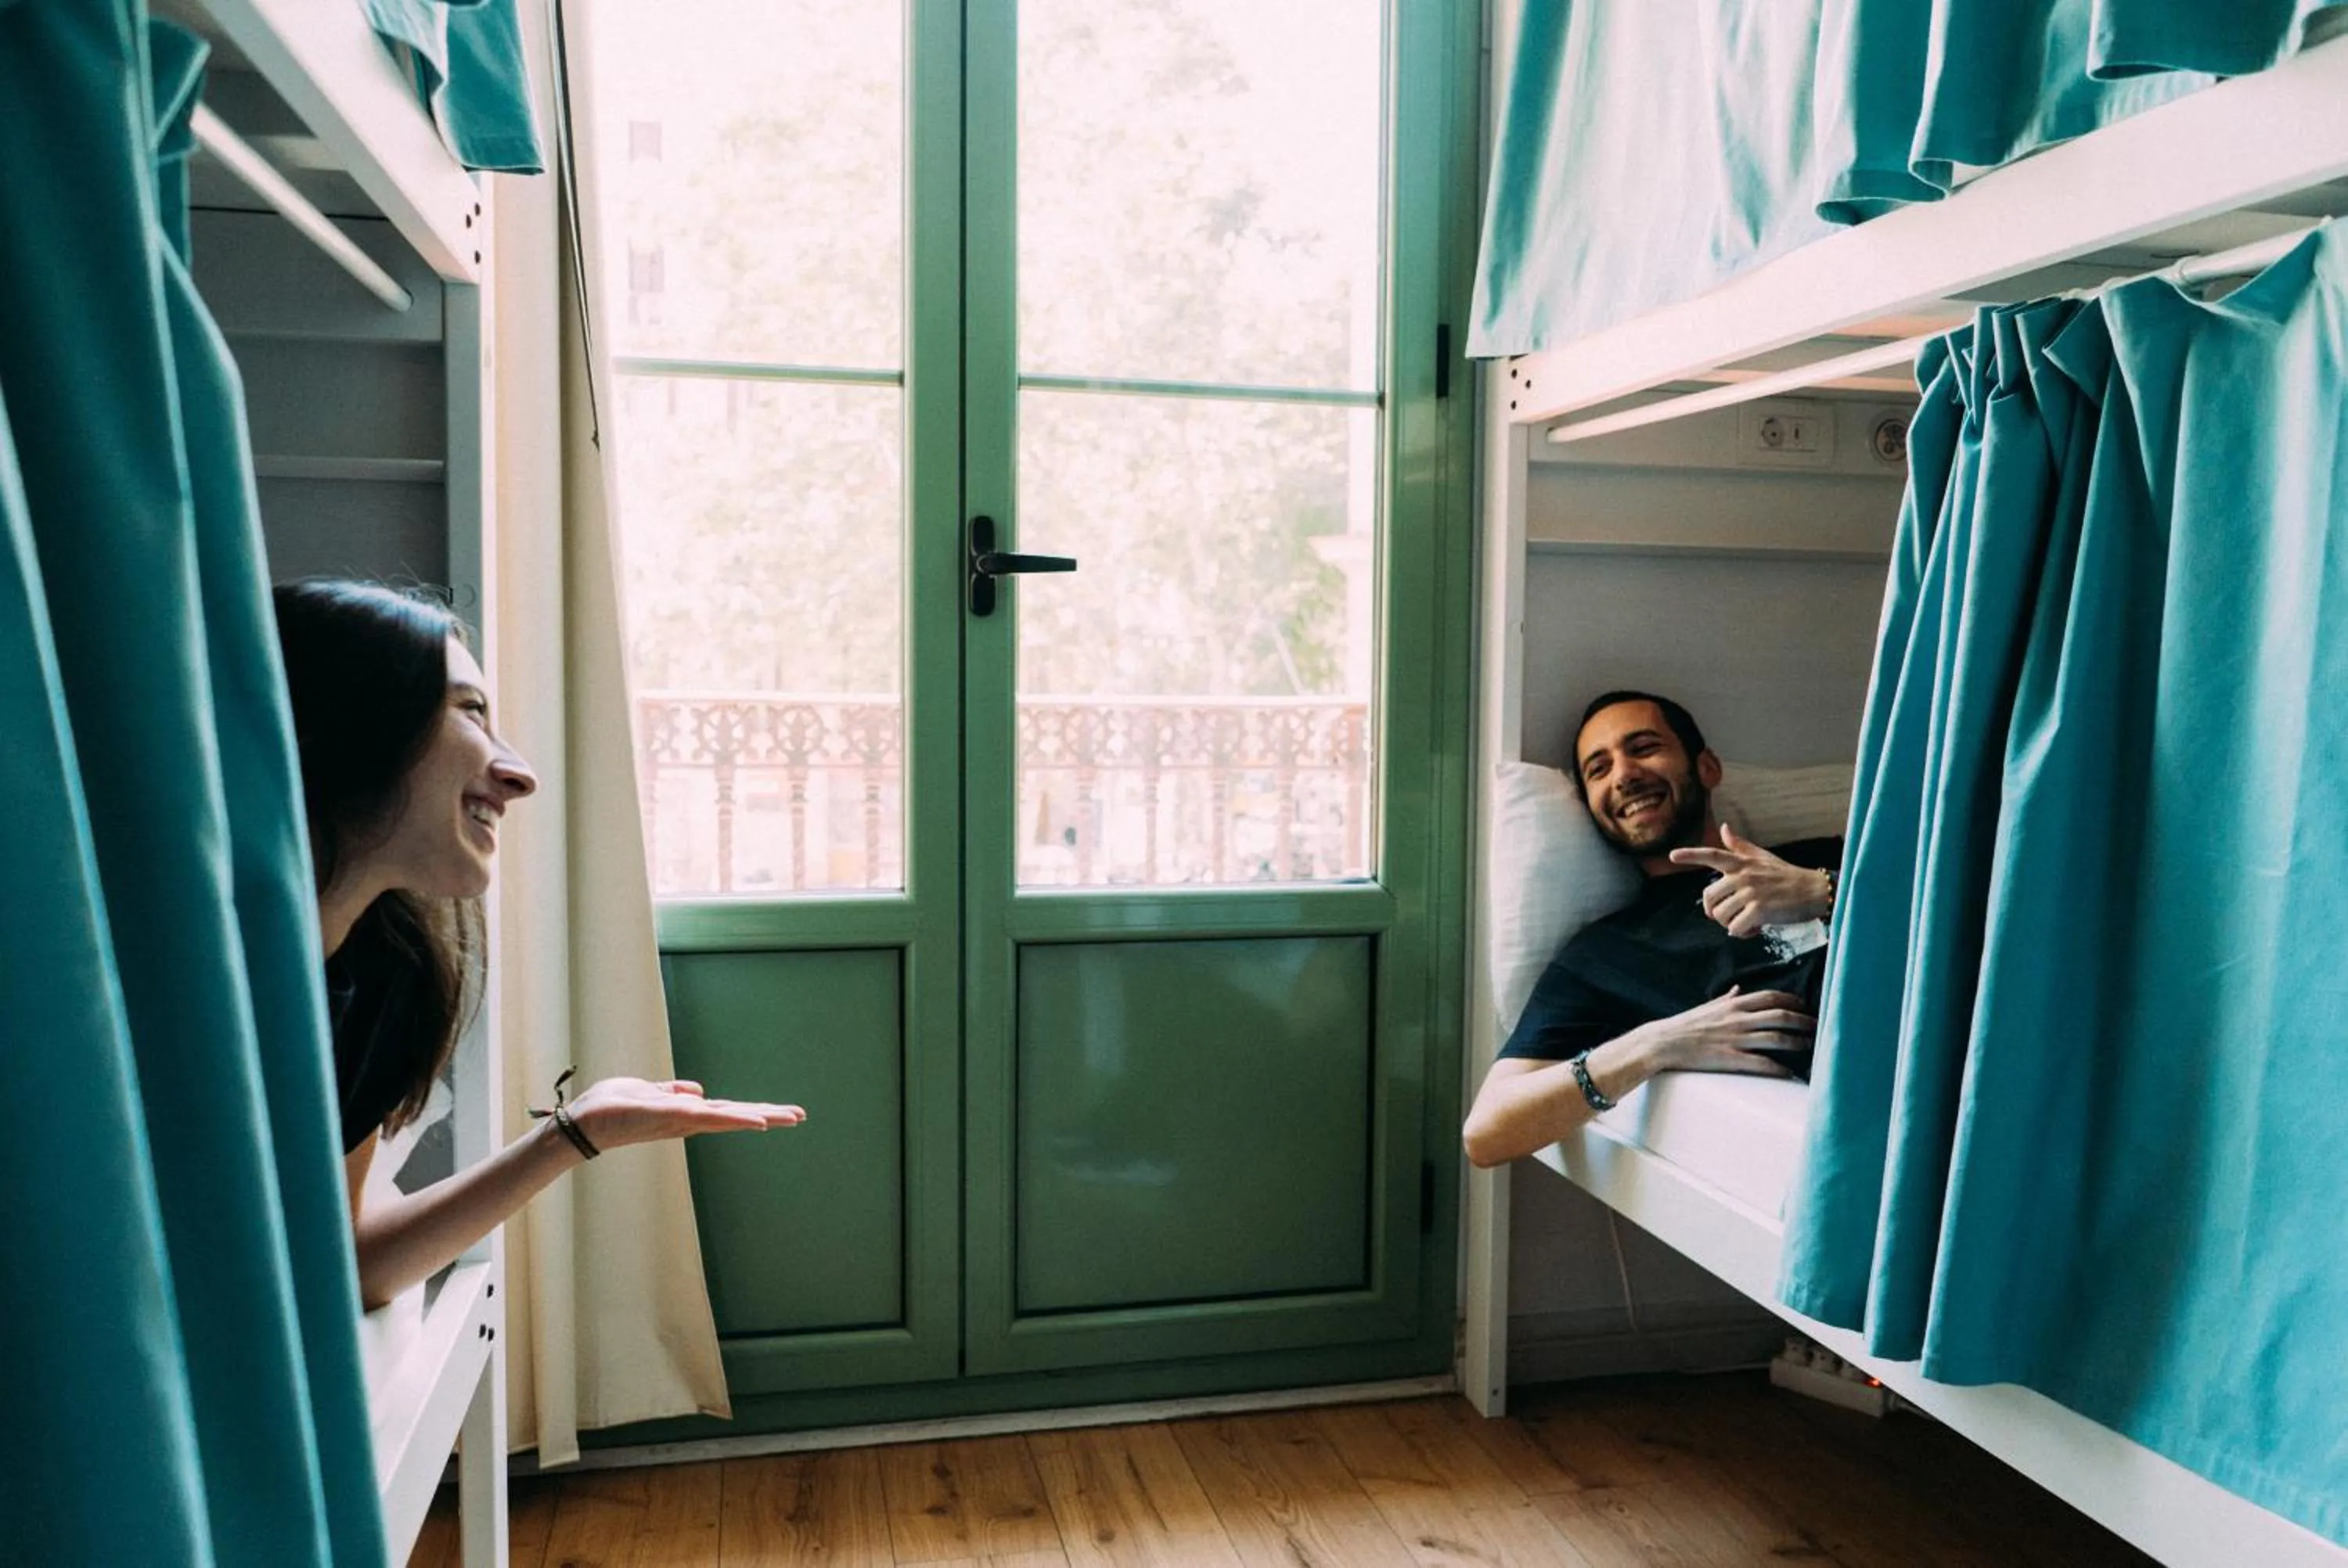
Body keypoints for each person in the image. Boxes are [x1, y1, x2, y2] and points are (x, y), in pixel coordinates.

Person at [273, 579, 805, 1308]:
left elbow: (350, 1261)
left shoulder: (382, 983)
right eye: (470, 712)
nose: (520, 776)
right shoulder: (169, 986)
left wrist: (572, 1134)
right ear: (348, 720)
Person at [1463, 691, 1842, 1169]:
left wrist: (1824, 890)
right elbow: (1488, 1132)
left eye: (1643, 748)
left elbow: (1960, 920)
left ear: (1707, 768)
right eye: (1598, 769)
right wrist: (1656, 1044)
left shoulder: (1826, 859)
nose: (1624, 775)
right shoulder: (1606, 957)